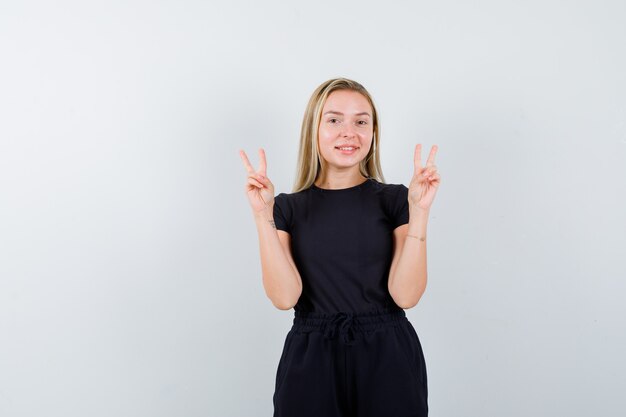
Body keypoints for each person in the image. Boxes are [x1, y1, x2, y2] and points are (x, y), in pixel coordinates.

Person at [239, 78, 440, 417]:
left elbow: (406, 296)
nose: (350, 132)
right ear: (314, 130)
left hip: (387, 356)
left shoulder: (396, 201)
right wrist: (263, 216)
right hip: (311, 357)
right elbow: (284, 298)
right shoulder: (286, 208)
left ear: (373, 133)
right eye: (334, 120)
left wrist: (419, 212)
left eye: (361, 121)